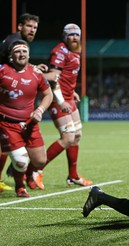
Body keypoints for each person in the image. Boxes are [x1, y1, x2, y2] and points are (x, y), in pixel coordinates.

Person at [25, 23, 92, 190]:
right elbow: (54, 77)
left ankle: (73, 176)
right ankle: (33, 170)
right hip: (57, 98)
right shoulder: (60, 51)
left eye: (77, 34)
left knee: (76, 136)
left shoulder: (75, 51)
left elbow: (67, 76)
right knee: (68, 137)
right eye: (70, 35)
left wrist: (72, 92)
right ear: (64, 37)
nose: (74, 37)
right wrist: (61, 100)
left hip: (68, 97)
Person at [0, 40, 53, 197]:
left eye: (24, 51)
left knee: (40, 161)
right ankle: (19, 186)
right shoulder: (3, 71)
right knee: (22, 160)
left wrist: (40, 110)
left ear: (29, 55)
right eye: (17, 51)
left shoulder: (36, 73)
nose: (21, 54)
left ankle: (17, 165)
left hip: (30, 124)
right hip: (7, 124)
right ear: (11, 56)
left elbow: (48, 95)